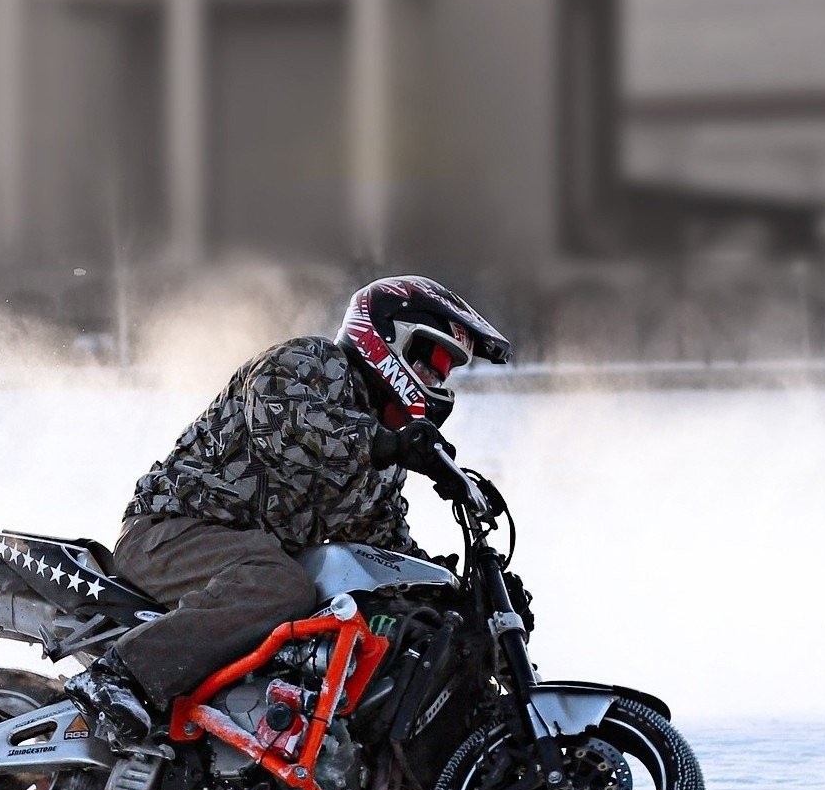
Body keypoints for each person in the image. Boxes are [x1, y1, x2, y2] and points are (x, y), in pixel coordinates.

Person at [66, 276, 511, 741]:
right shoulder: (312, 363)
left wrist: (457, 594)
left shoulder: (382, 462)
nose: (435, 380)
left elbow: (381, 543)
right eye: (429, 363)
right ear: (386, 336)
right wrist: (384, 444)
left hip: (244, 561)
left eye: (444, 373)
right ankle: (120, 675)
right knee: (283, 587)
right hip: (173, 529)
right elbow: (285, 424)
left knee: (359, 611)